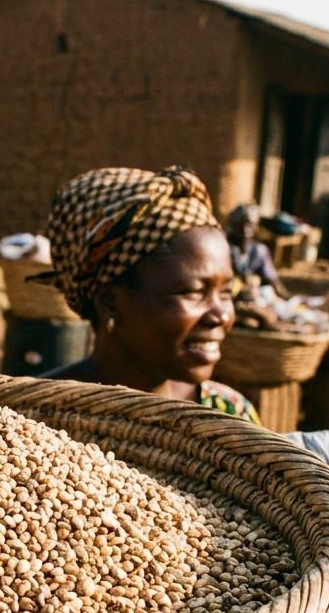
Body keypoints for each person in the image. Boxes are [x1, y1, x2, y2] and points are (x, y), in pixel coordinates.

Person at [39, 165, 260, 423]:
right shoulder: (28, 419)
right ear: (109, 302)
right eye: (193, 291)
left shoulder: (230, 415)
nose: (221, 315)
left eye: (225, 292)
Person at [224, 204, 289, 299]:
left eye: (249, 224)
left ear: (256, 226)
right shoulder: (224, 247)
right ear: (233, 225)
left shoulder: (259, 251)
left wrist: (287, 298)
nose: (245, 229)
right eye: (240, 224)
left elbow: (272, 279)